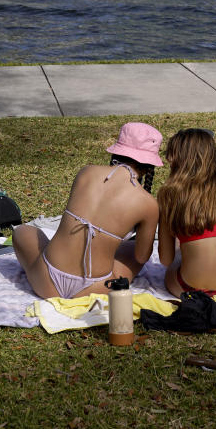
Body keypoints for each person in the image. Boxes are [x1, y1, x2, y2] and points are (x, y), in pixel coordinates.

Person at [12, 123, 162, 299]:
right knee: (131, 249)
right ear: (149, 166)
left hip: (47, 283)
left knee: (23, 231)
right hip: (96, 289)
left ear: (117, 150)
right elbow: (142, 256)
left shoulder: (86, 172)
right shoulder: (148, 203)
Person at [157, 129, 216, 300]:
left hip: (189, 290)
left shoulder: (168, 194)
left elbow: (166, 259)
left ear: (176, 159)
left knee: (178, 259)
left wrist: (182, 245)